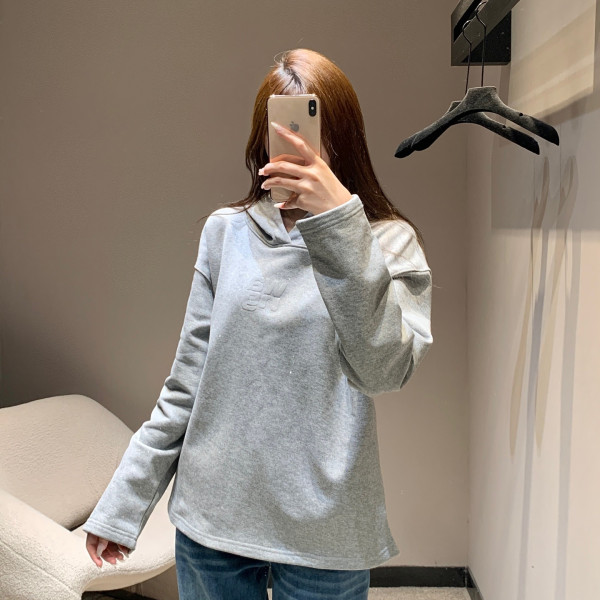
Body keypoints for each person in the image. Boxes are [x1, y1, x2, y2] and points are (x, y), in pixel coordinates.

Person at [83, 48, 433, 600]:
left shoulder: (387, 241)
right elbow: (186, 384)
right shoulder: (225, 233)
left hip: (326, 528)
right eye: (283, 131)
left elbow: (383, 370)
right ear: (262, 140)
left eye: (313, 130)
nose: (299, 147)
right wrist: (125, 501)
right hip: (214, 518)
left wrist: (339, 223)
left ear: (342, 139)